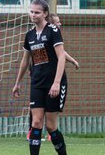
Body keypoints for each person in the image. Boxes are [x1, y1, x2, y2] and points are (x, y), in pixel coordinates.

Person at [12, 0, 72, 155]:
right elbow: (25, 60)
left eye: (37, 12)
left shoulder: (53, 30)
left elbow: (61, 57)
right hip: (36, 83)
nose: (33, 15)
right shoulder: (29, 35)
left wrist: (56, 82)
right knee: (36, 122)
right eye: (31, 11)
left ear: (45, 13)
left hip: (52, 83)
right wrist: (17, 83)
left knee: (51, 126)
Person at [26, 13, 79, 141]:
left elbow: (61, 53)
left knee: (49, 114)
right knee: (36, 108)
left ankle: (50, 131)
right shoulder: (37, 34)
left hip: (51, 78)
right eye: (57, 22)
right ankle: (33, 131)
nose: (59, 24)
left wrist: (72, 60)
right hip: (42, 78)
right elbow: (29, 55)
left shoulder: (53, 35)